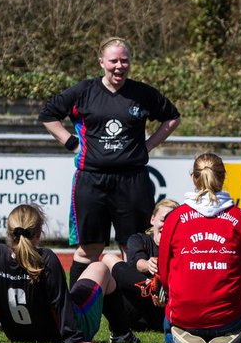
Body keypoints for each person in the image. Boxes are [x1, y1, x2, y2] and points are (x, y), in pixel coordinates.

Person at [39, 37, 181, 285]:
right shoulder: (83, 92)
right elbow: (48, 114)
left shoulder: (142, 94)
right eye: (113, 60)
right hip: (91, 180)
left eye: (124, 60)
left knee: (132, 247)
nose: (119, 66)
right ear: (101, 62)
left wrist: (147, 146)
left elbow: (172, 118)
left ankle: (132, 308)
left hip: (132, 180)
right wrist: (71, 142)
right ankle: (77, 305)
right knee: (89, 248)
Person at [0, 204, 100, 343]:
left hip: (16, 335)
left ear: (9, 233)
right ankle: (120, 334)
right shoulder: (46, 259)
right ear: (39, 233)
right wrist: (74, 339)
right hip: (55, 335)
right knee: (100, 267)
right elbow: (61, 303)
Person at [158, 153, 241, 343]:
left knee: (169, 325)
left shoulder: (175, 218)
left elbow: (164, 272)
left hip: (184, 317)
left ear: (193, 178)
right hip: (228, 318)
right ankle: (230, 336)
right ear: (223, 177)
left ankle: (177, 336)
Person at [99, 198, 180, 343]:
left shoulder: (181, 245)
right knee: (108, 258)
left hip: (163, 310)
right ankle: (151, 287)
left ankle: (158, 291)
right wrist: (148, 265)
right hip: (135, 309)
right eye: (163, 220)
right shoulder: (139, 239)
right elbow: (136, 261)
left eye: (171, 221)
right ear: (152, 219)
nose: (166, 225)